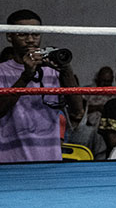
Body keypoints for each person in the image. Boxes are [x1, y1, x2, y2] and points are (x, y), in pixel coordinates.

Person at [0, 10, 84, 162]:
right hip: (10, 159)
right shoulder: (2, 71)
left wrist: (66, 70)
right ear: (9, 36)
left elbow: (77, 111)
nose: (30, 40)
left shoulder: (52, 70)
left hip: (49, 158)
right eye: (22, 34)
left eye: (36, 34)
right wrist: (26, 76)